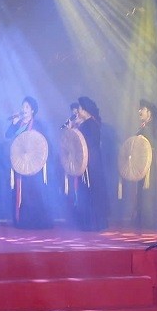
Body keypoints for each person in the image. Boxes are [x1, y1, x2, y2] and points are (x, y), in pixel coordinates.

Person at [5, 96, 53, 229]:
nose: (24, 109)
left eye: (27, 107)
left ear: (32, 110)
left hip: (33, 165)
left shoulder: (38, 125)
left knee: (33, 192)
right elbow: (7, 135)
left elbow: (43, 143)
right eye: (23, 106)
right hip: (21, 163)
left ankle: (36, 221)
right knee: (21, 192)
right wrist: (14, 123)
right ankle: (22, 220)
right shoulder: (18, 124)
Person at [70, 96, 109, 231]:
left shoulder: (89, 124)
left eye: (80, 108)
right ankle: (90, 223)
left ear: (85, 110)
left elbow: (84, 143)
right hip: (91, 161)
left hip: (90, 162)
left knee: (91, 190)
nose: (78, 111)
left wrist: (73, 130)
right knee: (90, 190)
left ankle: (92, 223)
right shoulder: (89, 123)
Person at [133, 98, 157, 230]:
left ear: (149, 112)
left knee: (151, 189)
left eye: (142, 109)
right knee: (143, 190)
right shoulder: (145, 127)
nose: (139, 111)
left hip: (152, 163)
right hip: (143, 162)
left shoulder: (155, 127)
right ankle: (143, 219)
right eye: (139, 109)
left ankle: (151, 219)